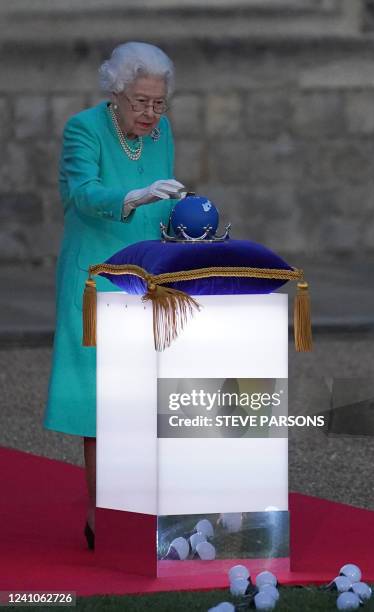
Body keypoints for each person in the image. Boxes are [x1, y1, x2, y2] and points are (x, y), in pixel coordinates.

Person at [43, 42, 184, 549]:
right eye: (141, 103)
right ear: (117, 93)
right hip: (96, 281)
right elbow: (82, 192)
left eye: (159, 103)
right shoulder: (85, 128)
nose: (151, 114)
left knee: (146, 398)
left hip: (150, 278)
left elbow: (165, 201)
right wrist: (131, 197)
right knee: (102, 405)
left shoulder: (162, 131)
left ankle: (147, 507)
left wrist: (184, 231)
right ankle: (102, 515)